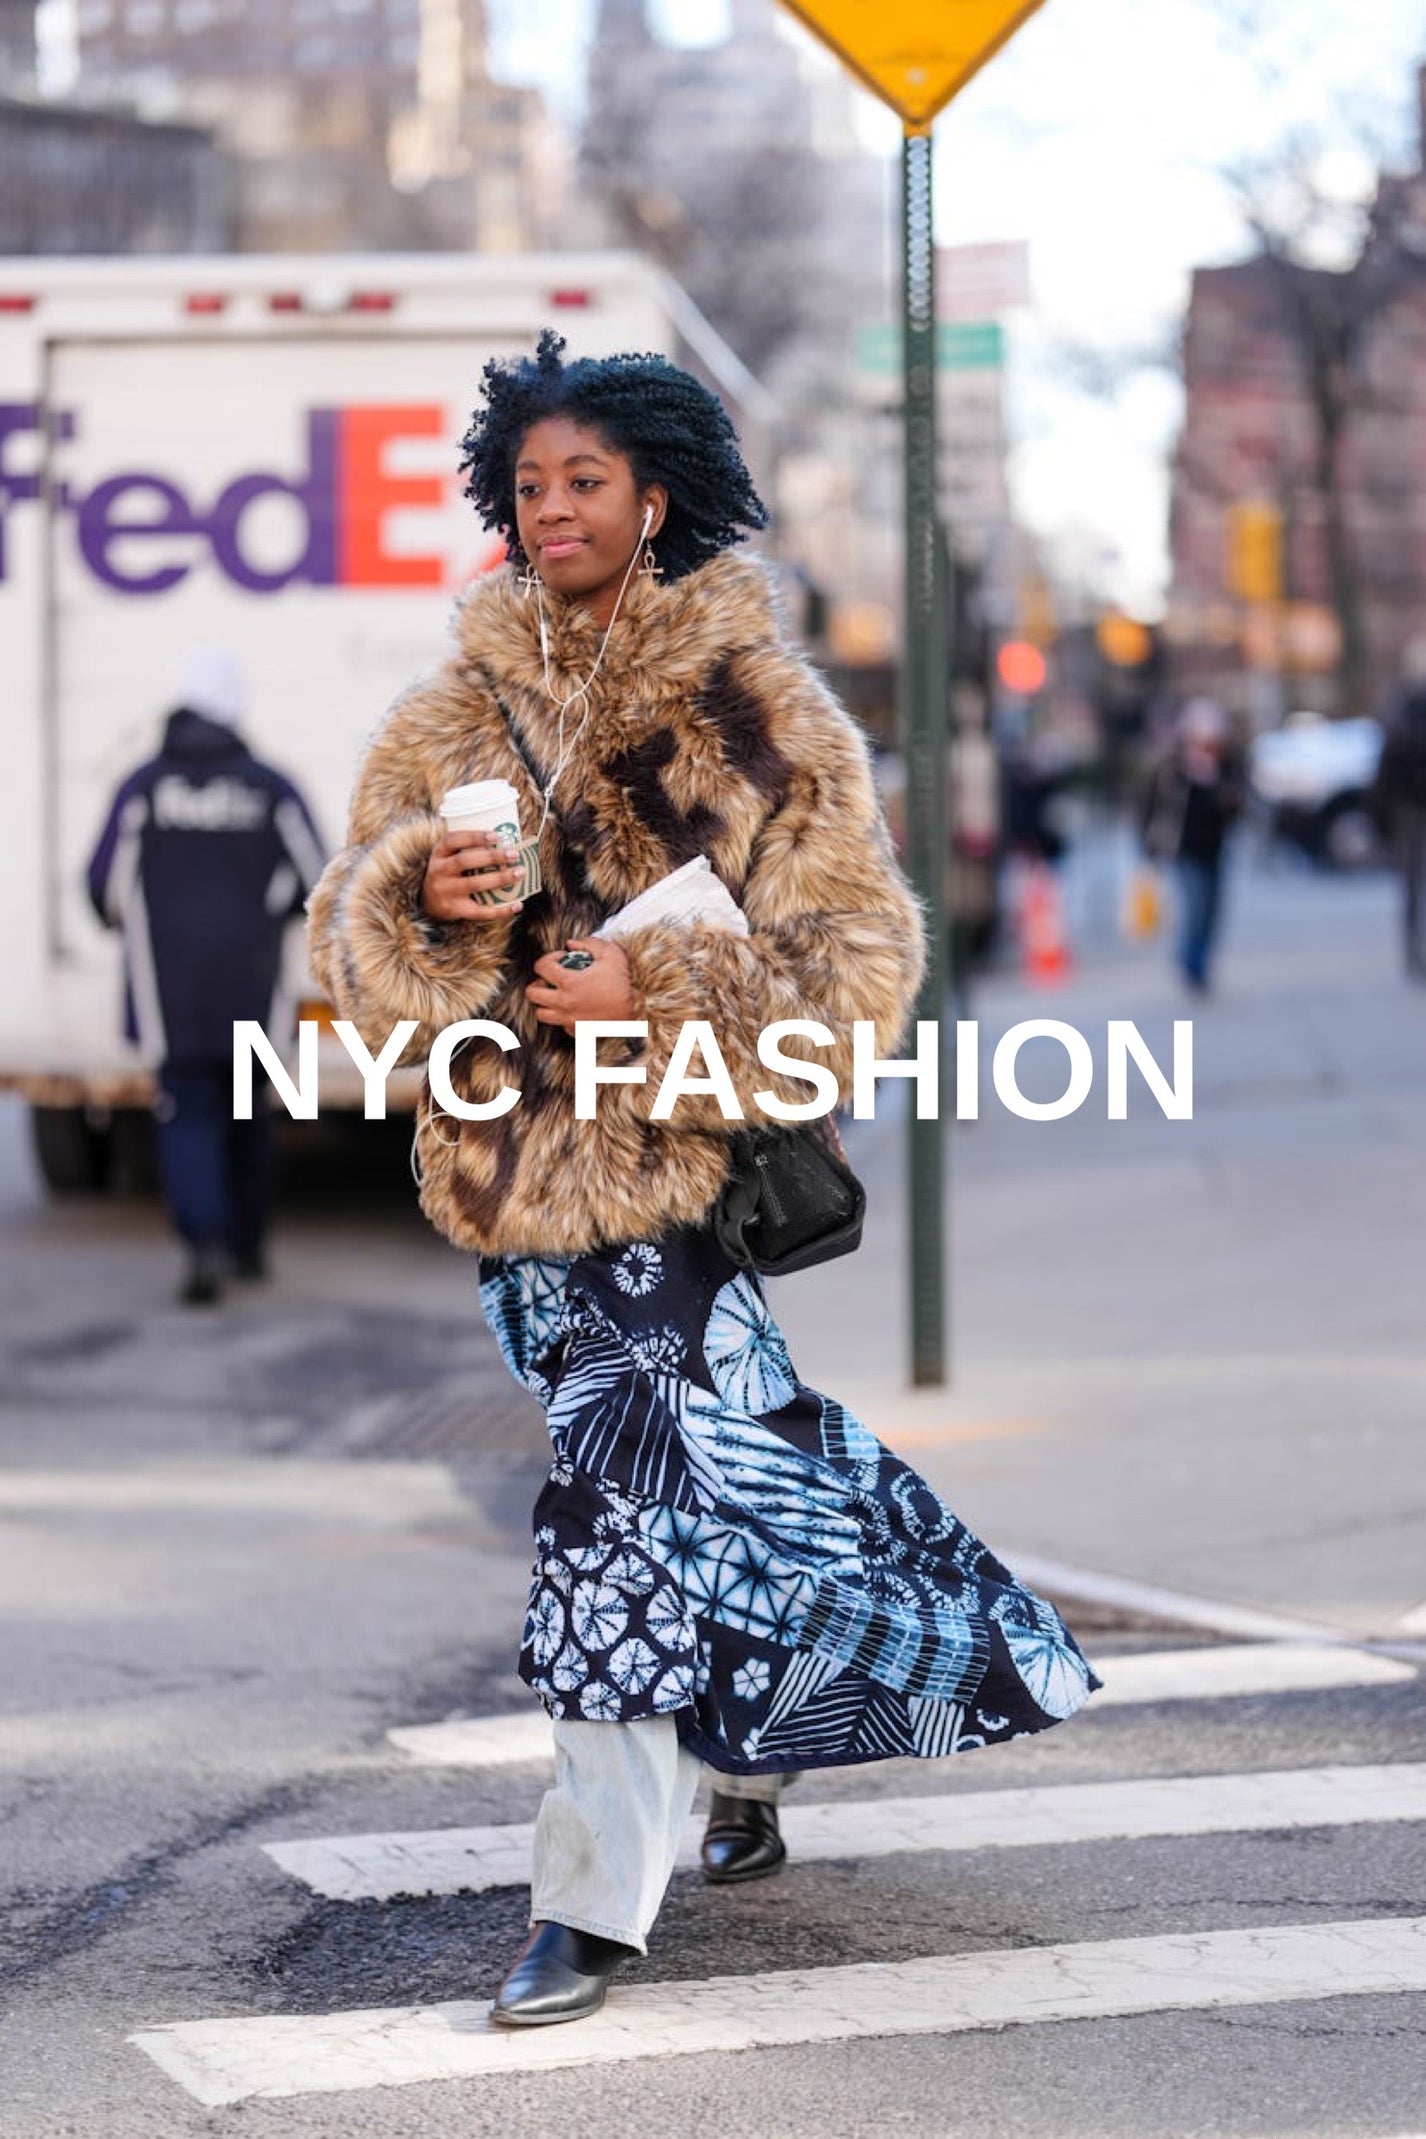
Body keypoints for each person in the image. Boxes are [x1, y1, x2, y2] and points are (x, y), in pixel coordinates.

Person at [307, 332, 1098, 2029]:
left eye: (585, 478)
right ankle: (752, 1755)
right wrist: (416, 900)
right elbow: (353, 975)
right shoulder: (446, 716)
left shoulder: (758, 711)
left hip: (684, 1183)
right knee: (726, 1476)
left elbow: (862, 968)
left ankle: (588, 1901)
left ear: (654, 497)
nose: (553, 507)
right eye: (529, 482)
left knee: (608, 1507)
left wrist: (650, 990)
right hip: (515, 1188)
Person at [87, 649, 325, 1305]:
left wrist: (146, 924)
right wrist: (270, 913)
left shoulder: (144, 788)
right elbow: (321, 880)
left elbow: (103, 887)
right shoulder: (271, 787)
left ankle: (205, 1243)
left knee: (188, 1112)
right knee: (248, 1111)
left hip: (171, 995)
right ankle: (247, 1247)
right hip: (252, 985)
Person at [1139, 697, 1243, 994]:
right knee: (1194, 906)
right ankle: (1190, 961)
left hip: (1215, 849)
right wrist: (1149, 845)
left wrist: (1219, 789)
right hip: (1183, 850)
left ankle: (1202, 958)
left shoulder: (1225, 769)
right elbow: (1152, 807)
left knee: (1211, 909)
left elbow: (1235, 809)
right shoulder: (1174, 769)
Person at [1371, 643, 1426, 979]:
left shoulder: (1400, 711)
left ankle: (1414, 950)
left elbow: (1385, 770)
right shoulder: (1403, 711)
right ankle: (1414, 951)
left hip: (1407, 809)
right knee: (1413, 885)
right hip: (1410, 810)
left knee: (1412, 886)